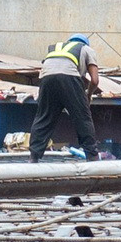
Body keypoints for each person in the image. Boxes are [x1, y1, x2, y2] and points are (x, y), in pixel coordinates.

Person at [29, 34, 100, 163]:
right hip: (69, 78)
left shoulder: (55, 48)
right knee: (82, 118)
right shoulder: (86, 49)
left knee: (44, 117)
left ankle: (33, 157)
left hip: (46, 80)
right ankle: (92, 157)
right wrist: (88, 95)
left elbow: (50, 70)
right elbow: (94, 81)